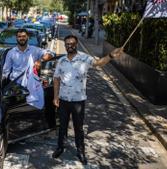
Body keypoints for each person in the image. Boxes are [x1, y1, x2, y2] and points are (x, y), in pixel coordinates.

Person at [52, 35, 123, 164]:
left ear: (76, 44)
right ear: (65, 45)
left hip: (78, 101)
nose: (69, 46)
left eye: (72, 43)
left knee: (78, 128)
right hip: (63, 99)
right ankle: (60, 147)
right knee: (62, 126)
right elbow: (56, 79)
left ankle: (80, 151)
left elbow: (98, 63)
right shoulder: (61, 61)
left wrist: (111, 56)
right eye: (67, 44)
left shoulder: (84, 58)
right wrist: (55, 96)